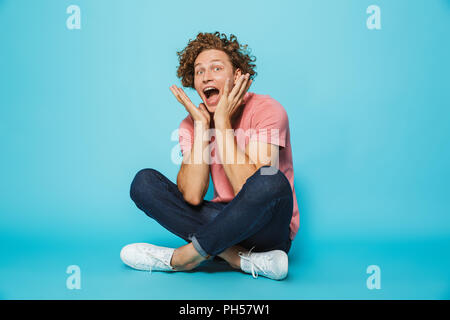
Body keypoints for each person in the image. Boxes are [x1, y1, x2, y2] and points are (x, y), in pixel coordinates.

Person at [120, 32, 300, 280]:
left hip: (266, 229)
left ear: (237, 75)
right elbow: (193, 196)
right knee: (144, 183)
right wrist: (204, 126)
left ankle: (180, 258)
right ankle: (238, 258)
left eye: (216, 68)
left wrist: (223, 121)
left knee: (270, 179)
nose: (206, 77)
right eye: (199, 71)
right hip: (222, 220)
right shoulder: (191, 124)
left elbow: (251, 187)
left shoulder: (268, 110)